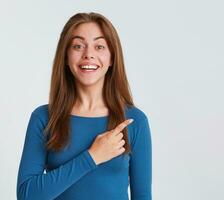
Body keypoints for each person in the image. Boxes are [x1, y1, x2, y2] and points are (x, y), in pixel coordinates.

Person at [16, 12, 152, 200]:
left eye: (99, 46)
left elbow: (142, 196)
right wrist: (92, 157)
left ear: (112, 58)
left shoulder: (134, 121)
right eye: (78, 46)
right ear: (65, 56)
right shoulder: (44, 118)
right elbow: (27, 195)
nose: (89, 54)